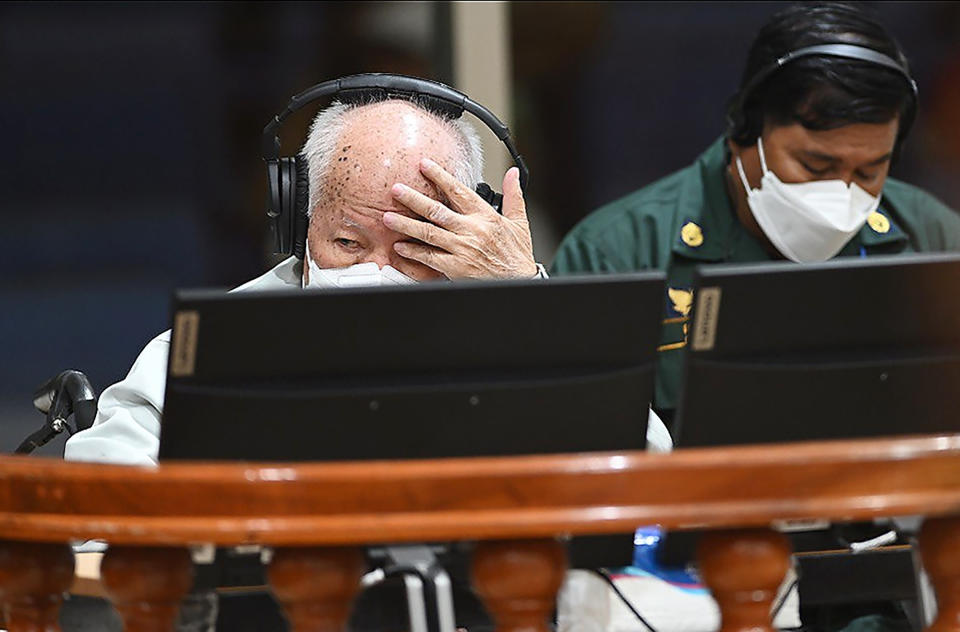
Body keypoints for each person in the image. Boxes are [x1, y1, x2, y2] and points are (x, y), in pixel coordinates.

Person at [64, 95, 673, 467]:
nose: (375, 274)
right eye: (348, 243)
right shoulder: (213, 346)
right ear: (299, 223)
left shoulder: (513, 330)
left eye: (412, 247)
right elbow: (101, 500)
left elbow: (650, 475)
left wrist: (523, 302)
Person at [551, 2, 960, 431]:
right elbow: (578, 439)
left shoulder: (931, 239)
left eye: (869, 171)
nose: (842, 193)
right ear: (747, 129)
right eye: (816, 167)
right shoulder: (617, 254)